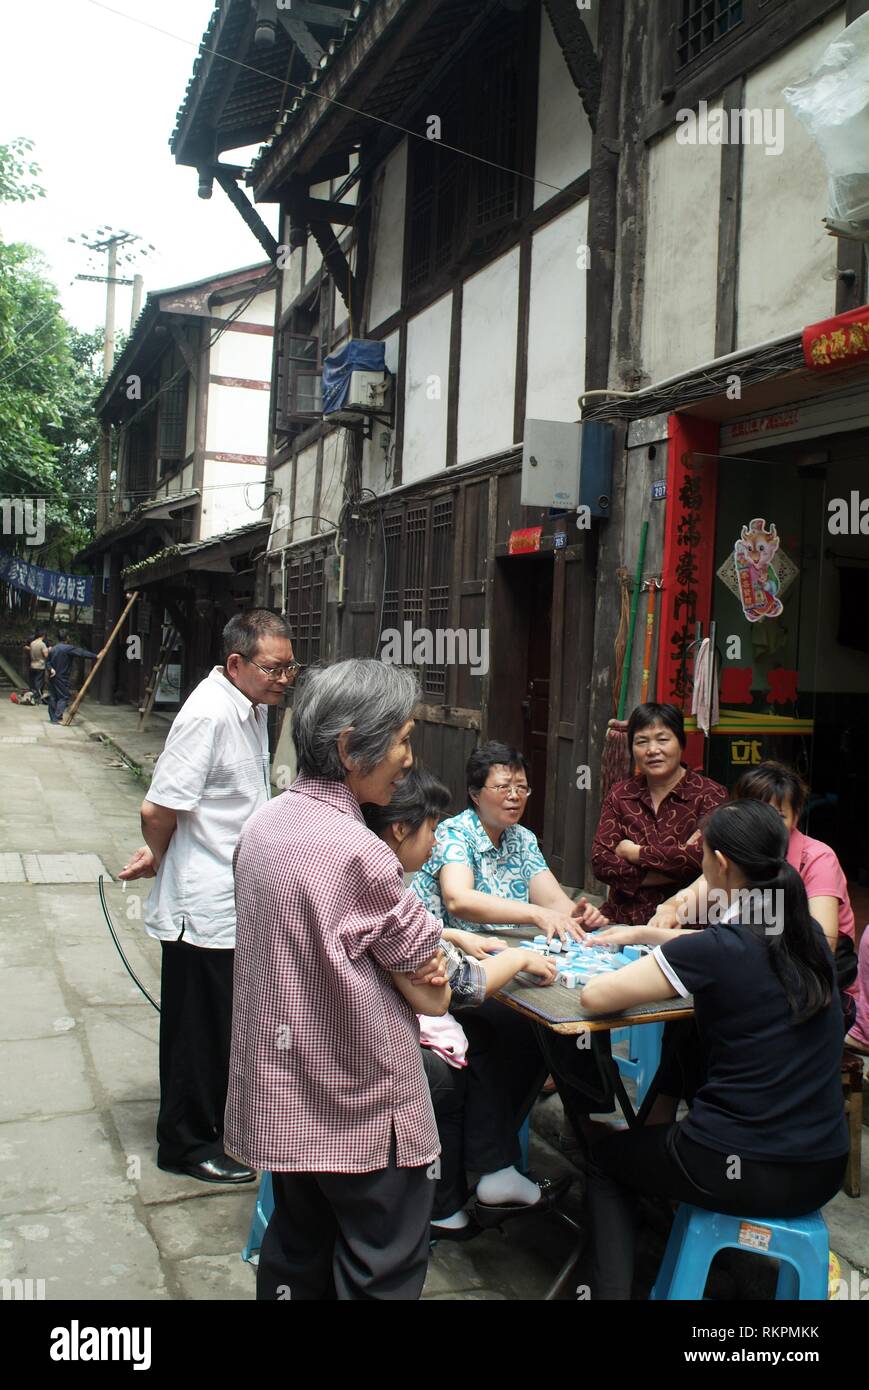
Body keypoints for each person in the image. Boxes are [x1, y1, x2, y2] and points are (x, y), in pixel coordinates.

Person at [227, 660, 450, 1301]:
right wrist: (427, 969)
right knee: (381, 1264)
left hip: (287, 1098)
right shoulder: (361, 851)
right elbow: (430, 991)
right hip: (360, 1100)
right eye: (403, 739)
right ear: (352, 748)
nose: (408, 758)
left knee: (299, 1248)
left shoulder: (264, 826)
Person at [581, 799, 849, 1300]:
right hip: (821, 1167)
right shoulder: (807, 935)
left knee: (605, 1157)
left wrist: (650, 946)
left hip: (738, 1164)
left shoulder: (716, 950)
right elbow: (719, 945)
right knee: (688, 1048)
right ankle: (674, 1231)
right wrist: (643, 932)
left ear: (720, 864)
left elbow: (597, 997)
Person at [119, 609, 297, 1184]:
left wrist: (164, 848)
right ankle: (185, 1145)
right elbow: (157, 808)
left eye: (290, 668)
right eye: (273, 668)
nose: (283, 679)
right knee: (197, 1031)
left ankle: (211, 1127)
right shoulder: (208, 714)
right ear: (237, 663)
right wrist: (163, 853)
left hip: (230, 893)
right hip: (204, 904)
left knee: (219, 1025)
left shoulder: (250, 709)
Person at [363, 767, 570, 1241]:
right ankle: (456, 1195)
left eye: (523, 785)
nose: (437, 843)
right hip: (381, 1035)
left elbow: (427, 944)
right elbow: (450, 992)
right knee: (472, 1046)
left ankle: (488, 1172)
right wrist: (518, 955)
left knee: (510, 1033)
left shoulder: (378, 871)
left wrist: (448, 937)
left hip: (378, 1013)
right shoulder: (387, 882)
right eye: (432, 830)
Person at [413, 741, 616, 1148]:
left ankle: (591, 1114)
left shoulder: (522, 839)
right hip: (451, 970)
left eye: (522, 788)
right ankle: (498, 1153)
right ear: (475, 793)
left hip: (511, 965)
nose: (514, 796)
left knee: (589, 1006)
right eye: (503, 786)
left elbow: (555, 904)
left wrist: (580, 917)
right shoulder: (456, 832)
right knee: (531, 1028)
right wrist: (534, 915)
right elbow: (459, 898)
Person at [590, 703, 727, 924]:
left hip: (685, 925)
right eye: (642, 741)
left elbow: (701, 858)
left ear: (681, 743)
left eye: (662, 740)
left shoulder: (710, 794)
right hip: (623, 918)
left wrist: (634, 852)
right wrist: (671, 867)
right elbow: (601, 863)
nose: (652, 750)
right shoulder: (621, 794)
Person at [45, 634, 100, 723]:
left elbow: (47, 662)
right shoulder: (67, 648)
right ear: (67, 637)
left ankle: (53, 717)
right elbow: (81, 652)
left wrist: (51, 669)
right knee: (64, 697)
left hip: (52, 675)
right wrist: (96, 656)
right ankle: (57, 717)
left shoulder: (53, 648)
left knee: (53, 696)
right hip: (62, 676)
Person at [23, 630, 50, 701]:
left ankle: (31, 695)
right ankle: (37, 698)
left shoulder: (32, 643)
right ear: (43, 636)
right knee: (39, 683)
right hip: (40, 665)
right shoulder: (42, 644)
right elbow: (46, 655)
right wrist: (49, 650)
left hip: (32, 664)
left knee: (32, 682)